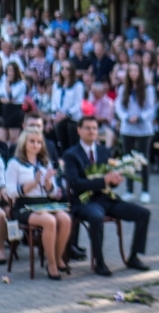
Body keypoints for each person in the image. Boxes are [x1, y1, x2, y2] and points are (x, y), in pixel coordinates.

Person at [63, 117, 151, 276]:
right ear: (79, 130)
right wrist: (104, 180)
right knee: (96, 217)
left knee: (143, 213)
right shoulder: (71, 154)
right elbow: (75, 184)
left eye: (95, 128)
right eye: (88, 128)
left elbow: (110, 182)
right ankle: (99, 262)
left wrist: (115, 181)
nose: (92, 131)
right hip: (84, 201)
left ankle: (134, 257)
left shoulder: (104, 151)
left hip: (106, 198)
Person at [6, 129, 72, 280]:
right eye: (32, 141)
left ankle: (58, 257)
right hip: (24, 206)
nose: (36, 145)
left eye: (39, 142)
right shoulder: (15, 164)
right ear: (24, 143)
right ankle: (52, 264)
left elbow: (54, 193)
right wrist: (34, 183)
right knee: (49, 221)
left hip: (44, 204)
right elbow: (10, 192)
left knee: (65, 219)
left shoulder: (45, 163)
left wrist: (48, 184)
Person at [115, 62, 155, 204]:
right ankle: (129, 190)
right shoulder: (123, 88)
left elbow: (150, 108)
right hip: (127, 128)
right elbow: (118, 106)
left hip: (143, 129)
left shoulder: (148, 89)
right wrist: (126, 117)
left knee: (143, 160)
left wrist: (139, 117)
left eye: (135, 70)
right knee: (128, 160)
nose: (133, 73)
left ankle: (145, 190)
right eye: (130, 70)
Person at [51, 60, 84, 155]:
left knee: (73, 145)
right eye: (62, 68)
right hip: (59, 118)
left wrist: (66, 114)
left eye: (67, 68)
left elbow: (78, 104)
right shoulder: (56, 85)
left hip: (72, 119)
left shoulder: (78, 85)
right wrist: (57, 113)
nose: (64, 70)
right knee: (62, 145)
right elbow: (53, 102)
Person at [2, 61, 27, 144]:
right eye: (8, 70)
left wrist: (7, 84)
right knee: (3, 138)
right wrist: (5, 100)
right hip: (5, 110)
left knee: (13, 139)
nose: (9, 73)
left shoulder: (21, 84)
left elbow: (10, 96)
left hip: (15, 110)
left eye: (11, 70)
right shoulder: (3, 81)